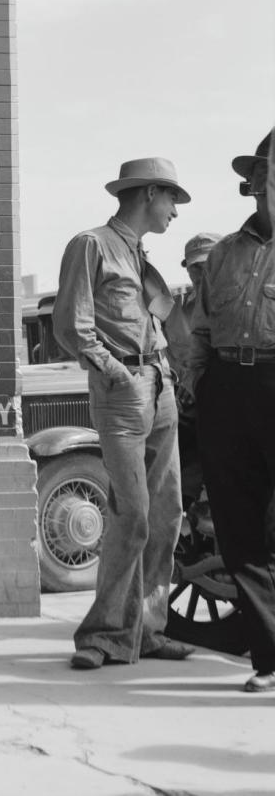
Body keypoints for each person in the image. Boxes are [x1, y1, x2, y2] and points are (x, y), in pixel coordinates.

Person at [53, 158, 193, 668]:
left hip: (160, 387)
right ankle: (104, 635)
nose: (176, 210)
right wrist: (116, 371)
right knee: (131, 514)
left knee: (165, 515)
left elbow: (163, 321)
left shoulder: (140, 255)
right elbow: (71, 324)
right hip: (124, 390)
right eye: (172, 198)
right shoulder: (90, 244)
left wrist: (168, 374)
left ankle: (146, 629)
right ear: (149, 193)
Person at [184, 129, 275, 692]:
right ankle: (268, 659)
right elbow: (199, 329)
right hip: (226, 387)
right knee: (239, 531)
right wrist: (203, 383)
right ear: (258, 183)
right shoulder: (222, 253)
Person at [165, 232, 220, 503]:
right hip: (179, 405)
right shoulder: (174, 306)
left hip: (219, 401)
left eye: (206, 265)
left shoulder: (233, 306)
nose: (199, 274)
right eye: (193, 267)